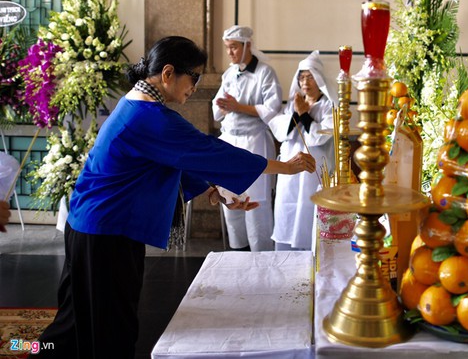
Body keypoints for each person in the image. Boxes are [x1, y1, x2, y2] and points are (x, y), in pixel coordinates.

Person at [34, 36, 315, 359]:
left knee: (75, 324)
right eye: (193, 77)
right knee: (110, 330)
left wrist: (212, 191)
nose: (195, 87)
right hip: (105, 233)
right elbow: (211, 152)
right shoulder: (149, 115)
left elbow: (170, 160)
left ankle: (24, 349)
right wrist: (284, 166)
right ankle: (24, 349)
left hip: (92, 227)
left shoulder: (138, 106)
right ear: (168, 73)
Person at [212, 26, 282, 251]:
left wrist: (238, 106)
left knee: (256, 202)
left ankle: (261, 255)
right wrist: (223, 107)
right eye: (227, 48)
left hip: (254, 142)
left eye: (234, 47)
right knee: (229, 196)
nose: (230, 52)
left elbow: (272, 109)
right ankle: (237, 249)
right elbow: (216, 107)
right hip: (230, 140)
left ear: (247, 45)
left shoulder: (265, 73)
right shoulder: (229, 73)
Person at [268, 51, 337, 250]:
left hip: (313, 172)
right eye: (302, 77)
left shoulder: (328, 105)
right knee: (287, 208)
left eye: (310, 76)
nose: (305, 81)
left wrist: (304, 114)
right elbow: (281, 131)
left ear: (319, 79)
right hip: (290, 168)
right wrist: (298, 113)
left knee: (309, 211)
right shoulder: (294, 103)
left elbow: (319, 137)